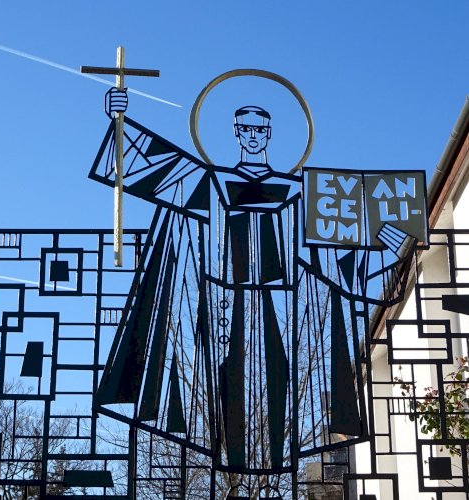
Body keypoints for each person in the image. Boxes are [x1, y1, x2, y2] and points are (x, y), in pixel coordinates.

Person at [90, 89, 420, 497]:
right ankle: (237, 471)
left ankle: (270, 471)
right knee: (225, 387)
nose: (251, 136)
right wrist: (119, 124)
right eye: (245, 128)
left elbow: (335, 260)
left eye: (259, 130)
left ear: (269, 135)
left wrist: (390, 249)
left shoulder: (298, 191)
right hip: (226, 307)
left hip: (281, 306)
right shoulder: (213, 184)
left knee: (282, 383)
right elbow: (155, 171)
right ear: (235, 132)